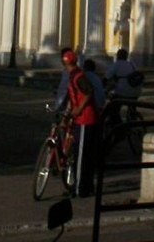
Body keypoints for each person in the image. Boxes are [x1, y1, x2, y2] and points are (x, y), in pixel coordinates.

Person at [62, 48, 100, 198]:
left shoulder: (78, 76)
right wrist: (67, 114)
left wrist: (78, 109)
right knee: (87, 155)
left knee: (80, 155)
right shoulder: (74, 75)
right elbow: (72, 97)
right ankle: (88, 186)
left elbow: (89, 92)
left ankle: (78, 189)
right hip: (83, 118)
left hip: (85, 119)